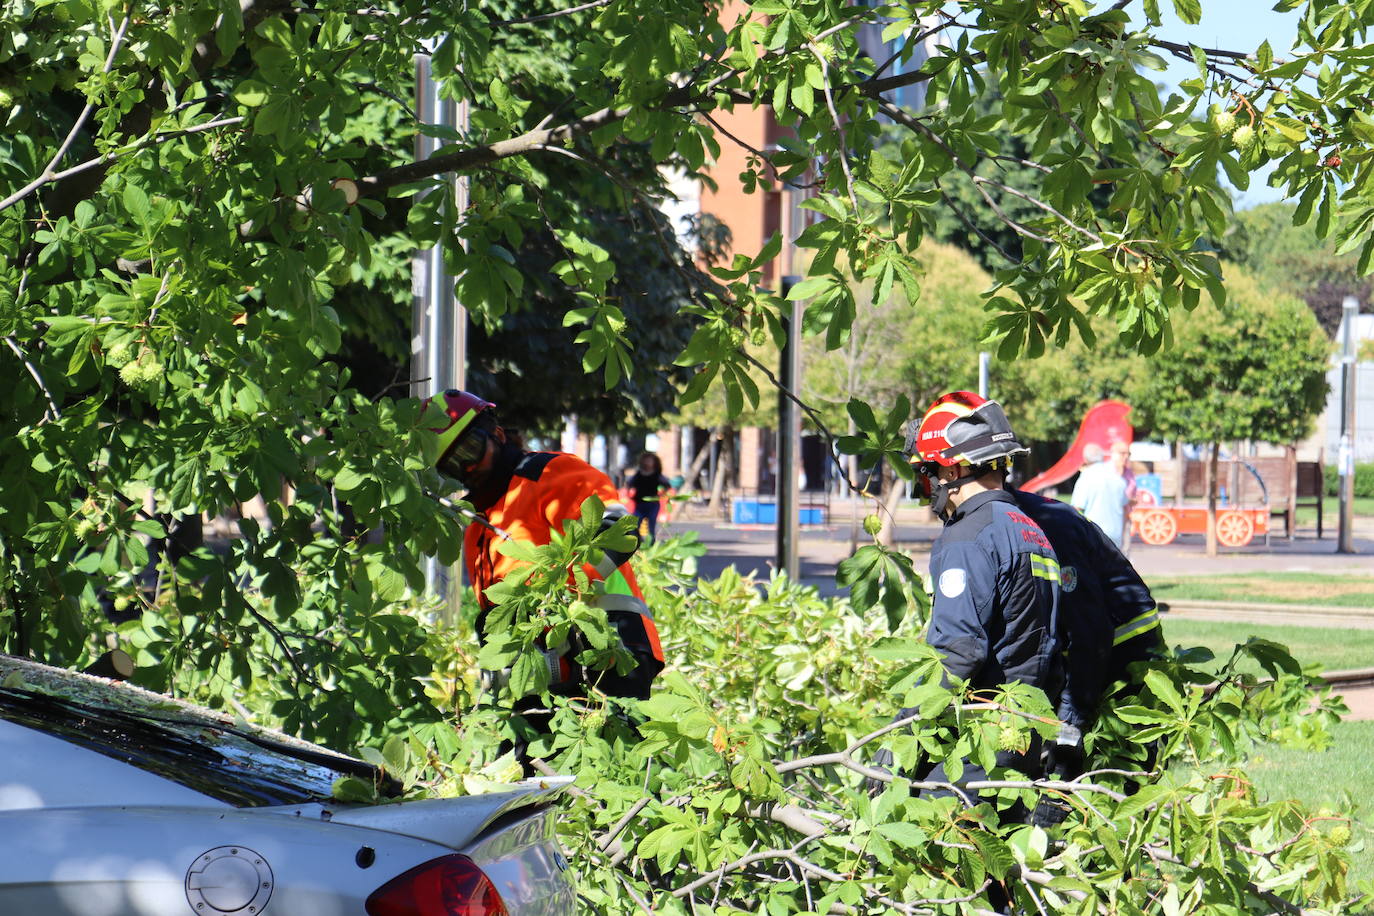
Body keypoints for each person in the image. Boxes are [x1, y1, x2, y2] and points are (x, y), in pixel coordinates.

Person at [424, 390, 665, 703]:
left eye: (469, 450)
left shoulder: (547, 473)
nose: (465, 468)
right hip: (545, 679)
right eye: (452, 465)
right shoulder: (479, 531)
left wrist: (550, 597)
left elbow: (618, 531)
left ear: (496, 434)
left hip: (610, 653)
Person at [894, 391, 1063, 809]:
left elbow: (959, 650)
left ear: (953, 468)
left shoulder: (968, 537)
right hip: (1021, 734)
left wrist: (904, 732)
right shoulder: (1029, 528)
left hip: (977, 739)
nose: (928, 486)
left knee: (932, 852)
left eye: (928, 472)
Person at [1008, 487, 1167, 788]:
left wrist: (1069, 725)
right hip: (1078, 646)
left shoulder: (1047, 526)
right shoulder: (1002, 518)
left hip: (1124, 649)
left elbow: (1089, 634)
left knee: (1113, 767)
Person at [1071, 440, 1130, 548]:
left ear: (1085, 460)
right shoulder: (1118, 478)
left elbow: (1077, 509)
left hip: (1094, 533)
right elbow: (1125, 509)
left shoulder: (1086, 476)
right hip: (1115, 535)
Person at [627, 451, 672, 542]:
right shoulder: (639, 474)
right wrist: (629, 494)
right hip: (640, 503)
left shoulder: (656, 475)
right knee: (635, 524)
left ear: (654, 463)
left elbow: (667, 485)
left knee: (651, 525)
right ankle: (636, 541)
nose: (647, 463)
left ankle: (651, 542)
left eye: (649, 461)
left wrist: (662, 494)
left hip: (652, 504)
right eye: (646, 460)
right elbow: (629, 484)